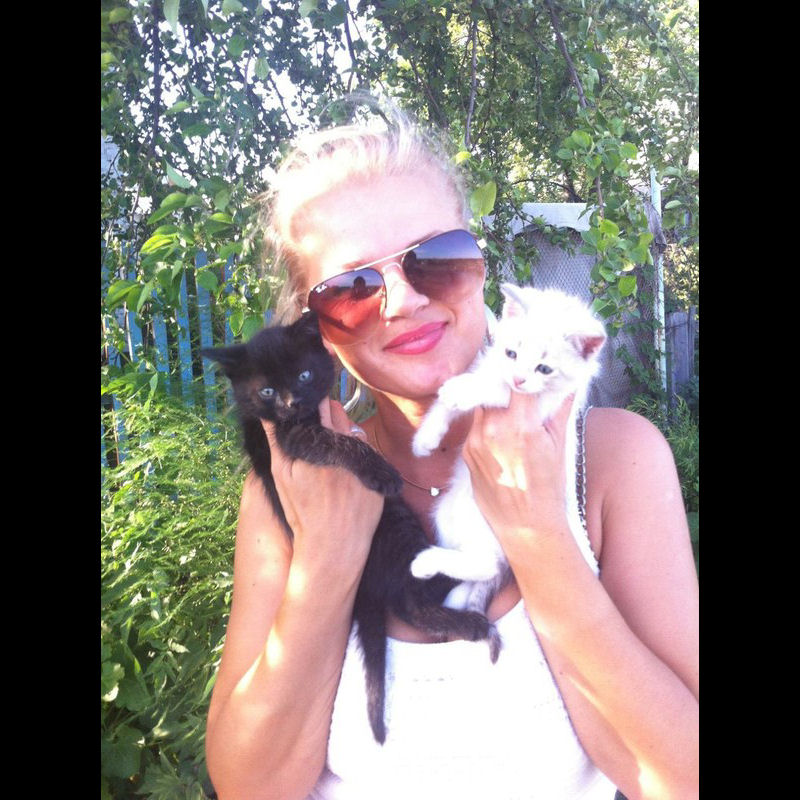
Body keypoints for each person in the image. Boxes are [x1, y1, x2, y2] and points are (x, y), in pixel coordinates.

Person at [204, 111, 699, 800]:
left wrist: (537, 534)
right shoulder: (296, 491)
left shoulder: (615, 461)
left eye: (435, 259)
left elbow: (681, 777)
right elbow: (250, 786)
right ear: (318, 330)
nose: (404, 301)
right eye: (350, 290)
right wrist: (327, 556)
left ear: (480, 266)